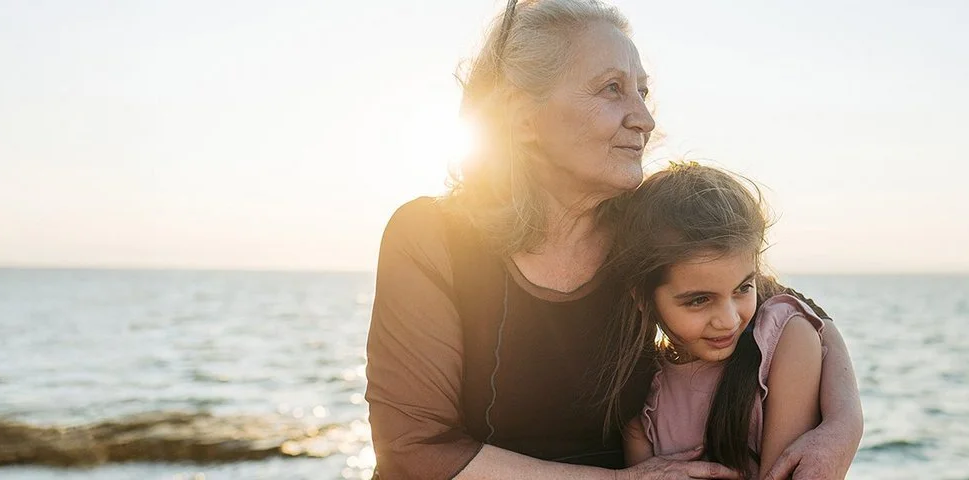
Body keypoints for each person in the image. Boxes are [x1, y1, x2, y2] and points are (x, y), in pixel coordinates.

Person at [364, 1, 862, 478]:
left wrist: (843, 428)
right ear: (522, 117)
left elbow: (788, 308)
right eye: (611, 88)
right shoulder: (430, 235)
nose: (644, 119)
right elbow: (413, 453)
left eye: (642, 92)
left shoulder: (642, 226)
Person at [605, 163, 825, 480]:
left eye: (742, 289)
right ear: (643, 299)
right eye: (699, 300)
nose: (728, 320)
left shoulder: (785, 339)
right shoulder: (643, 399)